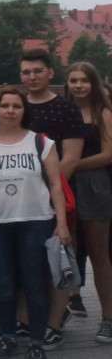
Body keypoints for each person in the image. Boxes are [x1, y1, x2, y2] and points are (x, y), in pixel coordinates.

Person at [0, 86, 71, 359]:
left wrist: (61, 222)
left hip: (35, 222)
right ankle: (7, 337)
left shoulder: (41, 142)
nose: (11, 111)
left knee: (34, 285)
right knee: (4, 286)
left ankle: (37, 343)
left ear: (24, 111)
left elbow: (56, 185)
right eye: (5, 106)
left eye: (17, 106)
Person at [19, 49, 84, 349]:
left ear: (50, 73)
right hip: (21, 198)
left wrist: (47, 191)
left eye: (37, 71)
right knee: (26, 258)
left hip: (55, 196)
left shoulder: (66, 109)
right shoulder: (16, 105)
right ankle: (26, 319)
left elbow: (70, 158)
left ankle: (55, 323)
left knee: (58, 260)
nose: (31, 76)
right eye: (26, 72)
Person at [64, 61, 112, 343]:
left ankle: (108, 317)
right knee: (66, 251)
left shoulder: (103, 112)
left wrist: (72, 165)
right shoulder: (65, 111)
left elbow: (108, 154)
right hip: (66, 184)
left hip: (93, 183)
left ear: (93, 83)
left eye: (84, 80)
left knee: (99, 253)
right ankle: (63, 307)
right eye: (73, 80)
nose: (79, 85)